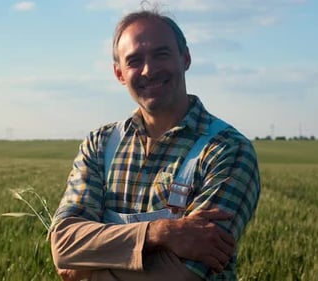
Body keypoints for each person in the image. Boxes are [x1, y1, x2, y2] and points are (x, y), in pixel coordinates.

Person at [49, 7, 261, 281]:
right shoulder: (99, 144)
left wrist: (87, 265)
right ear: (119, 74)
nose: (149, 70)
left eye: (161, 54)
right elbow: (65, 244)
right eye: (134, 60)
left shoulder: (227, 150)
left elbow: (186, 273)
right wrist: (162, 233)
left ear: (185, 58)